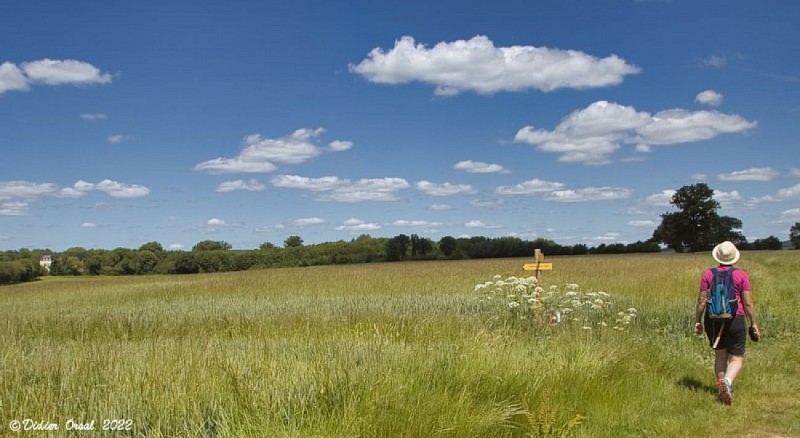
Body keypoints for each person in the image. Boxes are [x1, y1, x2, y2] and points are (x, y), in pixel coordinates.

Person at [693, 241, 760, 405]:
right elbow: (748, 303)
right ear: (734, 257)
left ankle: (721, 388)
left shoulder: (708, 274)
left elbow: (702, 300)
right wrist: (753, 322)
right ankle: (728, 383)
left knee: (720, 355)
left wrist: (697, 320)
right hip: (735, 319)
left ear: (718, 256)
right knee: (737, 358)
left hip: (712, 319)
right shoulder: (741, 275)